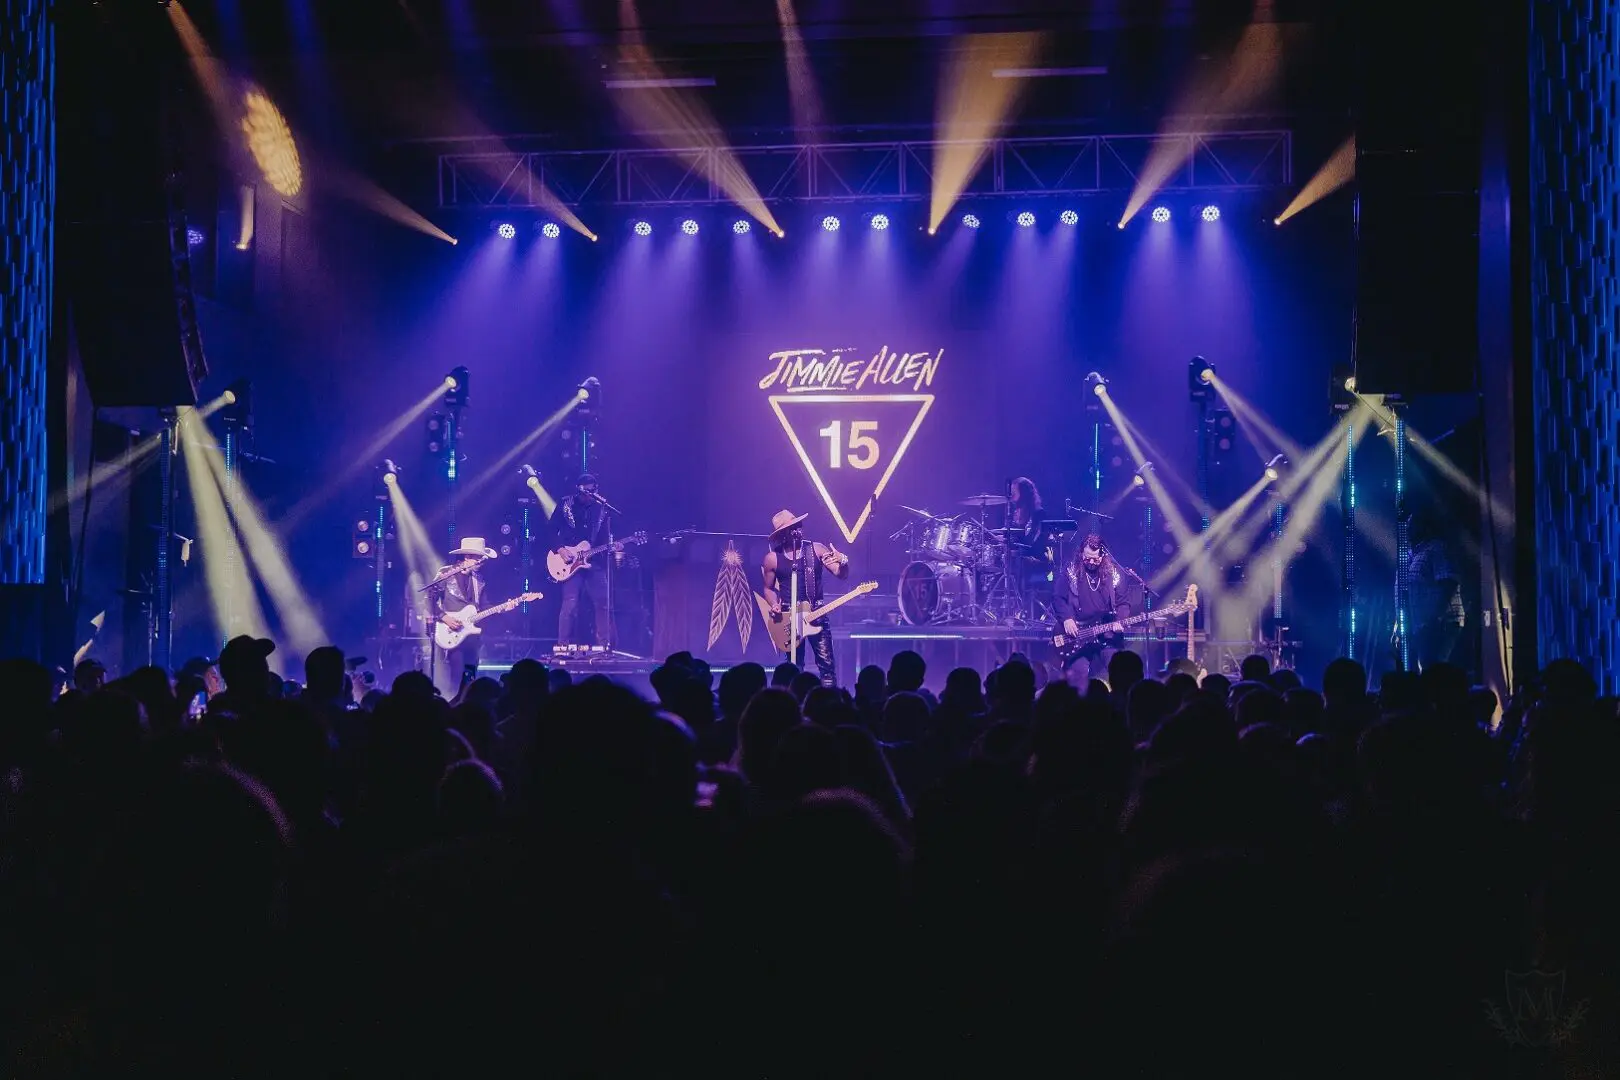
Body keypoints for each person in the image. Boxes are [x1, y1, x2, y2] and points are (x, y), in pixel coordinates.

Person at [761, 509, 849, 688]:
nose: (797, 530)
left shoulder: (816, 549)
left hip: (816, 615)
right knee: (794, 667)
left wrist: (843, 561)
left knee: (827, 666)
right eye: (792, 528)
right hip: (789, 617)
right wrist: (774, 604)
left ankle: (828, 703)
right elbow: (768, 589)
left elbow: (841, 574)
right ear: (783, 534)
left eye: (798, 525)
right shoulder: (772, 559)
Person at [1050, 533, 1130, 688]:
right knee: (1076, 678)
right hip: (1078, 636)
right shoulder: (1071, 571)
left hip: (1106, 634)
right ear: (1081, 554)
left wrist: (1120, 620)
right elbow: (1057, 598)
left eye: (1095, 558)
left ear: (1103, 555)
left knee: (1121, 672)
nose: (1091, 562)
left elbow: (1123, 603)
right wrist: (1066, 618)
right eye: (1087, 558)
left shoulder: (1114, 573)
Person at [550, 473, 613, 650]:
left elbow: (602, 537)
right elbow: (549, 530)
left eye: (593, 491)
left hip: (594, 562)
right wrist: (560, 549)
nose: (589, 495)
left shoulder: (601, 509)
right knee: (570, 603)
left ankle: (604, 645)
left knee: (603, 602)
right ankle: (563, 645)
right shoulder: (565, 504)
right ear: (579, 490)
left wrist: (611, 546)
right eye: (586, 491)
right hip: (569, 561)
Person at [431, 535, 497, 697]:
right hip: (451, 631)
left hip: (472, 635)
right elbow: (429, 599)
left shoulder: (479, 580)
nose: (482, 561)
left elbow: (484, 605)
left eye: (482, 558)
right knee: (457, 673)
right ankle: (453, 705)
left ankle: (468, 704)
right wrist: (443, 617)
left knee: (471, 672)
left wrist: (500, 609)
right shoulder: (446, 574)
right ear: (467, 557)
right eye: (479, 558)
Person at [1404, 513, 1465, 672]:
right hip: (1423, 625)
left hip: (1441, 625)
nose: (1407, 528)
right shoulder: (1412, 555)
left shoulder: (1437, 549)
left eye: (1411, 524)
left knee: (1434, 671)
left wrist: (1434, 619)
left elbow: (1449, 583)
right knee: (1425, 668)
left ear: (1423, 527)